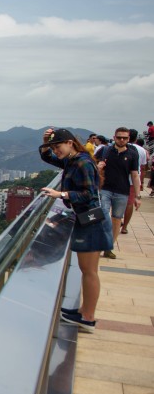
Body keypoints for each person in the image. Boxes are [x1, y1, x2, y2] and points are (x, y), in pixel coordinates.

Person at [39, 127, 111, 332]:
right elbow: (50, 159)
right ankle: (84, 311)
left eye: (57, 146)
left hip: (92, 220)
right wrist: (45, 142)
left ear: (70, 143)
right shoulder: (73, 160)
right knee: (86, 269)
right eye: (53, 147)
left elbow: (88, 194)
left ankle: (88, 317)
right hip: (86, 218)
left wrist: (60, 195)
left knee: (89, 271)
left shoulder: (83, 162)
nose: (55, 151)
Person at [94, 126, 141, 257]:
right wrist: (98, 167)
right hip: (105, 188)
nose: (121, 140)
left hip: (122, 191)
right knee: (102, 214)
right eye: (119, 137)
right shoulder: (106, 150)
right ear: (114, 137)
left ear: (128, 139)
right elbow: (92, 163)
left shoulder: (132, 154)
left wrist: (137, 196)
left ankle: (109, 246)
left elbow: (135, 175)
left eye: (124, 138)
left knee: (116, 219)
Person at [120, 129, 148, 233]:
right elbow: (143, 168)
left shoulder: (121, 148)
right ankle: (125, 227)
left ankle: (119, 220)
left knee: (117, 202)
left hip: (121, 180)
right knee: (129, 203)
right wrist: (141, 183)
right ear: (136, 139)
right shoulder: (142, 150)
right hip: (133, 181)